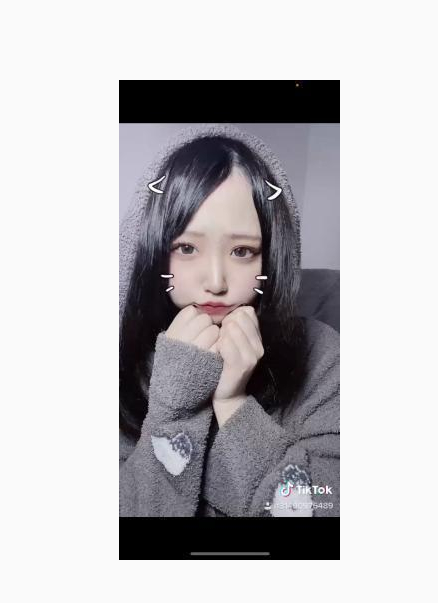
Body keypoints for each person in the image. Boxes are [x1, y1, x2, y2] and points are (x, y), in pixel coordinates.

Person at [119, 124, 339, 517]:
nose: (217, 282)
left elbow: (328, 506)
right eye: (187, 248)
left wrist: (234, 404)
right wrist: (174, 406)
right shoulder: (119, 359)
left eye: (242, 251)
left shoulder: (322, 355)